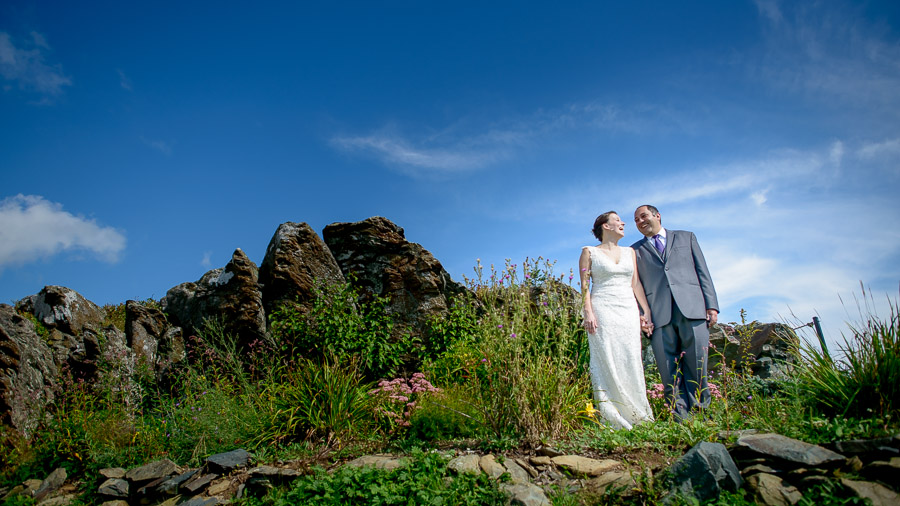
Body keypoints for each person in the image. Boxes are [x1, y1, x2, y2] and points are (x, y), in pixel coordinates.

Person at [631, 205, 718, 420]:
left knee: (698, 366)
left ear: (657, 216)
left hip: (693, 310)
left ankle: (701, 417)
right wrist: (643, 315)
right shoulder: (634, 251)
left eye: (644, 216)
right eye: (636, 220)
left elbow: (702, 271)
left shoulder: (686, 237)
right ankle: (679, 418)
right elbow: (635, 286)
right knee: (668, 371)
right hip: (659, 317)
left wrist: (711, 305)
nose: (640, 221)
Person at [580, 211, 654, 430]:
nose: (623, 223)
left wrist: (645, 312)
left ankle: (637, 413)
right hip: (603, 308)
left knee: (631, 357)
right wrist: (588, 312)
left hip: (628, 310)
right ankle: (613, 414)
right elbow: (584, 286)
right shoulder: (589, 252)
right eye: (617, 220)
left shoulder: (629, 252)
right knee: (607, 356)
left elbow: (636, 284)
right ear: (606, 226)